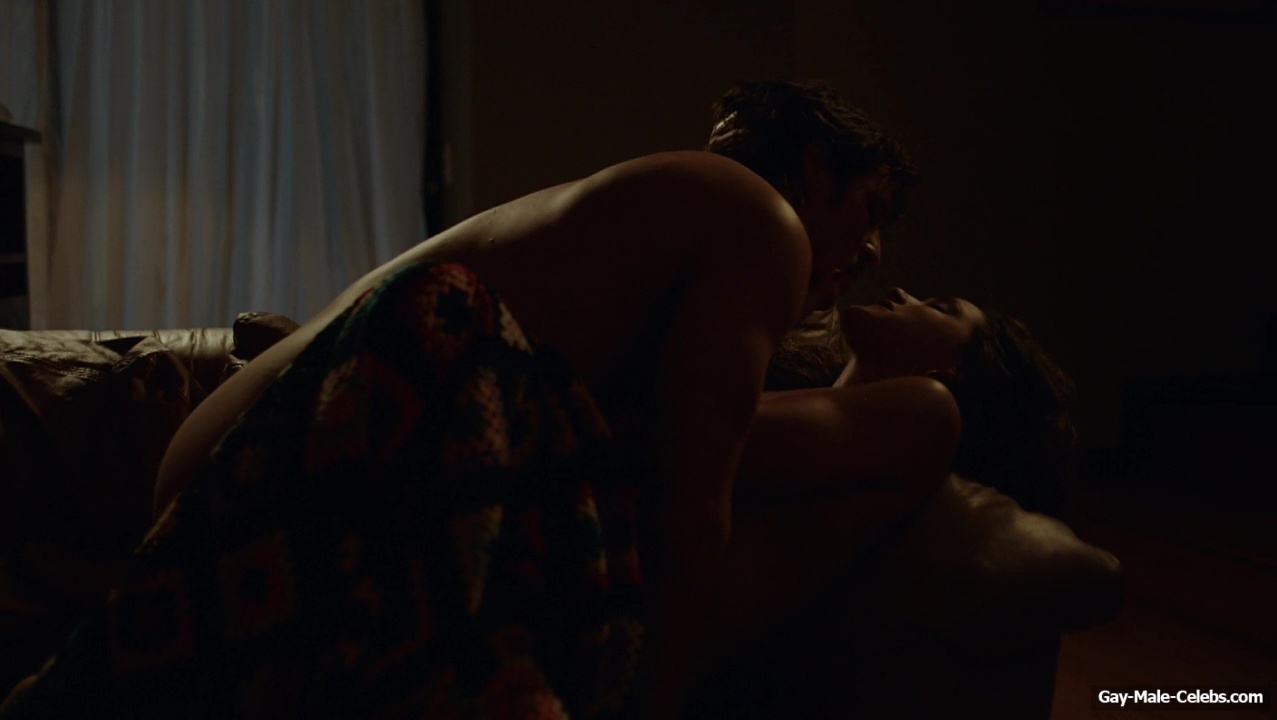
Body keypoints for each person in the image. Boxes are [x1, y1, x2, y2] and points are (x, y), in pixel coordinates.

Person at [1, 80, 952, 719]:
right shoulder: (760, 220)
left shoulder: (644, 233)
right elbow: (693, 510)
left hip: (217, 483)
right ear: (815, 170)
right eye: (870, 211)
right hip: (282, 464)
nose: (872, 255)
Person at [751, 287, 1076, 517]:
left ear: (958, 369)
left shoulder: (929, 410)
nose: (901, 293)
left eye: (940, 308)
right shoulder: (811, 382)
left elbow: (733, 431)